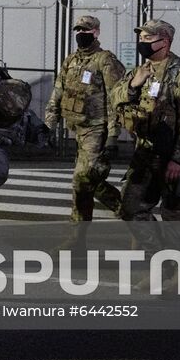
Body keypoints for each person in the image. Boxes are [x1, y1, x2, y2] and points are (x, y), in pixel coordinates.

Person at [109, 19, 180, 222]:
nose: (142, 42)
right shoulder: (141, 70)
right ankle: (156, 250)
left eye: (148, 38)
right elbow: (114, 97)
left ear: (165, 41)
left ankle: (176, 253)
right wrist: (134, 84)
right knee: (130, 208)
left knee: (175, 214)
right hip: (146, 152)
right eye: (141, 37)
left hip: (172, 155)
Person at [43, 14, 125, 222]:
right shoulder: (71, 60)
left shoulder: (105, 60)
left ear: (96, 32)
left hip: (96, 129)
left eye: (86, 31)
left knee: (85, 179)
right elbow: (58, 92)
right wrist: (48, 126)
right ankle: (78, 237)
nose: (81, 34)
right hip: (77, 129)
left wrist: (113, 136)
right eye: (78, 31)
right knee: (83, 184)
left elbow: (115, 100)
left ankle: (128, 210)